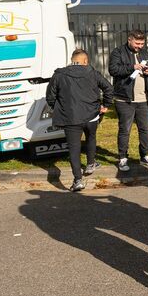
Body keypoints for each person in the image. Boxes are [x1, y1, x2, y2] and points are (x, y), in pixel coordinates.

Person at [46, 49, 113, 192]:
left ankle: (78, 180)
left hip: (70, 117)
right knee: (91, 137)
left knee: (74, 149)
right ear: (85, 61)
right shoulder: (92, 73)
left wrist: (60, 108)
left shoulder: (59, 75)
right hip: (92, 115)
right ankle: (90, 164)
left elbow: (50, 97)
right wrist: (105, 105)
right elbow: (108, 88)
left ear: (72, 60)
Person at [108, 29, 148, 171]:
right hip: (124, 99)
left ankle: (144, 156)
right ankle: (123, 158)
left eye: (142, 43)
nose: (139, 46)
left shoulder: (145, 53)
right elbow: (113, 70)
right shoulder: (118, 52)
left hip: (143, 98)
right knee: (125, 129)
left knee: (144, 129)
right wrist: (132, 67)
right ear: (129, 40)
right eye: (137, 43)